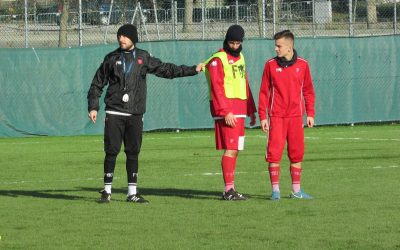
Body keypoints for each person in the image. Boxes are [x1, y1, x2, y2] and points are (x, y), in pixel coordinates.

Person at [87, 24, 203, 203]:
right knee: (111, 151)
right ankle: (107, 191)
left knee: (133, 152)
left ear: (133, 38)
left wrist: (191, 70)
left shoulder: (143, 57)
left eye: (125, 36)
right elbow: (97, 83)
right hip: (114, 111)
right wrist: (93, 106)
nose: (121, 39)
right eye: (119, 36)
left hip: (135, 113)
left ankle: (132, 193)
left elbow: (166, 69)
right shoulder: (111, 58)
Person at [258, 30, 315, 200]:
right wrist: (263, 116)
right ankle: (275, 191)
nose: (276, 49)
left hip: (296, 118)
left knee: (296, 153)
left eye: (279, 46)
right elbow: (263, 92)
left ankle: (296, 191)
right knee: (274, 154)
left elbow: (308, 91)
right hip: (276, 117)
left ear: (289, 47)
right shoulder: (270, 65)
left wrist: (310, 113)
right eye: (275, 46)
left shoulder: (303, 65)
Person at [203, 25, 257, 201]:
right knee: (231, 149)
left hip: (240, 110)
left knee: (235, 150)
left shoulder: (240, 57)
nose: (234, 46)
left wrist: (251, 109)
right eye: (231, 42)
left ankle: (231, 189)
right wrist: (225, 111)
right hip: (228, 111)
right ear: (226, 41)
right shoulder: (217, 60)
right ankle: (228, 191)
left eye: (237, 43)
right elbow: (217, 88)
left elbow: (244, 83)